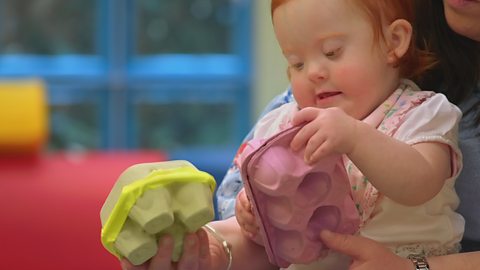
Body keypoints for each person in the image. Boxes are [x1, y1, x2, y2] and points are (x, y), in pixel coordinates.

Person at [121, 0, 480, 269]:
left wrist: (354, 138)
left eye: (332, 52)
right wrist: (224, 242)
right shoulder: (284, 125)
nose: (314, 73)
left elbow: (420, 182)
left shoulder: (424, 112)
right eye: (296, 62)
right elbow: (265, 250)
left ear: (394, 41)